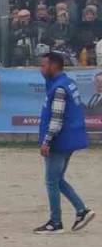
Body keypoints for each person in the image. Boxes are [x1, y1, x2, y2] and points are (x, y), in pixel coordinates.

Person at [34, 51, 95, 234]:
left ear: (54, 66)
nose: (41, 69)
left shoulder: (59, 88)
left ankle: (55, 222)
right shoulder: (67, 83)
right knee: (58, 179)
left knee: (51, 181)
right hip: (69, 139)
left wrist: (46, 141)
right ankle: (81, 211)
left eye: (44, 65)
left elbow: (56, 119)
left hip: (59, 141)